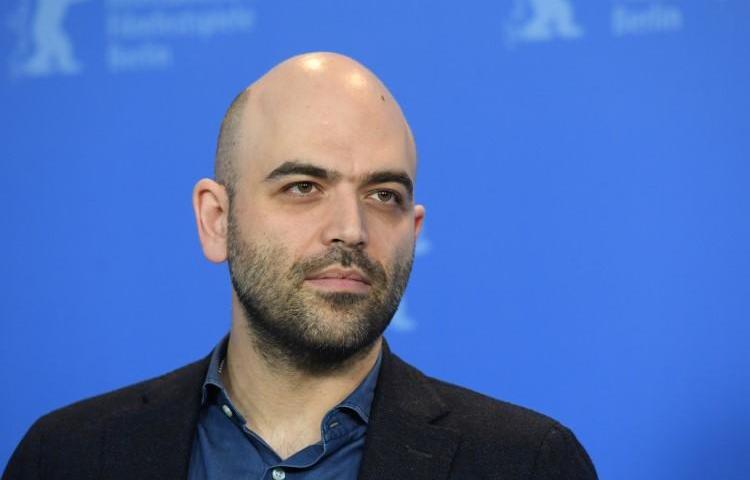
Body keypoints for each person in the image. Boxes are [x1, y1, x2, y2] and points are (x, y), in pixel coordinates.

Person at [3, 52, 597, 480]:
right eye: (303, 186)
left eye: (383, 194)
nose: (352, 229)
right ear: (216, 220)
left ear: (413, 231)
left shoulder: (529, 463)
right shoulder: (67, 455)